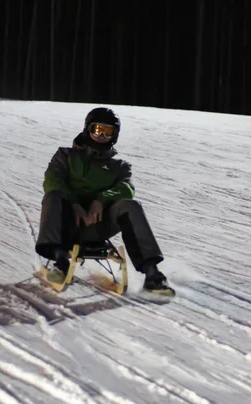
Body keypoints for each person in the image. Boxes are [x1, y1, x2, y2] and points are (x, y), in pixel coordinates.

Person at [35, 107, 174, 295]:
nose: (101, 135)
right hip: (67, 223)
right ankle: (60, 262)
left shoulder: (120, 166)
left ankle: (152, 274)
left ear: (114, 135)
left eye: (107, 131)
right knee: (53, 195)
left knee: (131, 206)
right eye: (97, 129)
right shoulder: (66, 156)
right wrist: (75, 204)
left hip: (98, 225)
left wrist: (101, 200)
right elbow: (53, 180)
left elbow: (127, 188)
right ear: (88, 129)